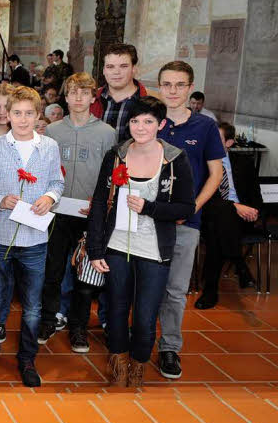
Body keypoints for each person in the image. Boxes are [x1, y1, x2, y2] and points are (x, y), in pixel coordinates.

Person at [87, 97, 195, 387]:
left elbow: (186, 208)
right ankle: (119, 362)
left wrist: (150, 207)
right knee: (116, 309)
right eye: (135, 121)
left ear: (161, 124)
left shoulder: (175, 159)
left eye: (148, 121)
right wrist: (95, 248)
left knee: (146, 317)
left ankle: (138, 365)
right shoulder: (116, 155)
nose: (141, 127)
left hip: (154, 250)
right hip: (117, 245)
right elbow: (100, 202)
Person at [0, 86, 64, 387]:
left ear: (38, 116)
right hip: (1, 235)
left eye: (28, 114)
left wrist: (49, 198)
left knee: (33, 306)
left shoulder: (49, 146)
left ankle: (27, 359)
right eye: (16, 113)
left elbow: (57, 182)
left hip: (35, 239)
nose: (22, 120)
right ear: (6, 115)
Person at [154, 60, 225, 380]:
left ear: (190, 88)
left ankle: (169, 347)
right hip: (146, 219)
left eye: (180, 85)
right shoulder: (148, 121)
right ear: (159, 87)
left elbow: (216, 174)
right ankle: (138, 335)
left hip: (186, 223)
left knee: (175, 289)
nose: (173, 91)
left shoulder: (205, 126)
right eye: (167, 84)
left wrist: (192, 208)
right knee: (143, 283)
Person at [39, 73, 115, 350]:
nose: (79, 98)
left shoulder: (107, 133)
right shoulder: (53, 131)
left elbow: (112, 176)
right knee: (53, 268)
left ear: (94, 97)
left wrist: (102, 204)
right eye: (73, 93)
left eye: (85, 93)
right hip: (57, 210)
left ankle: (79, 326)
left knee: (85, 274)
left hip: (89, 212)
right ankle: (48, 318)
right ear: (66, 97)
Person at [194, 121, 262, 309]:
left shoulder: (244, 162)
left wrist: (253, 211)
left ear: (229, 143)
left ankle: (211, 291)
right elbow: (204, 196)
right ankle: (239, 263)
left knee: (218, 233)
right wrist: (235, 207)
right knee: (221, 215)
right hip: (209, 213)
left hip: (240, 219)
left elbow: (256, 195)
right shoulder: (201, 162)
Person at [90, 44, 148, 143]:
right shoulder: (90, 100)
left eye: (123, 66)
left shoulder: (148, 102)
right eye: (110, 67)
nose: (116, 72)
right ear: (104, 70)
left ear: (134, 69)